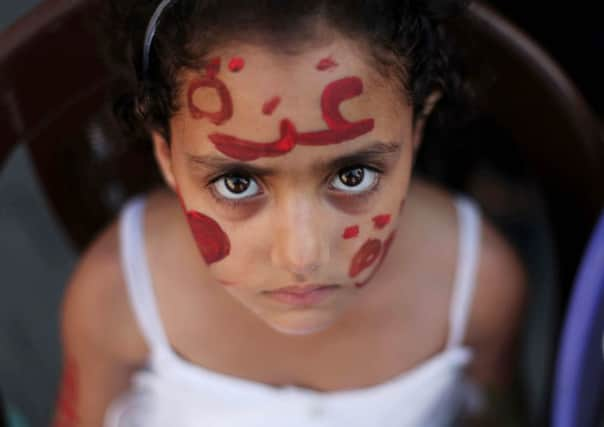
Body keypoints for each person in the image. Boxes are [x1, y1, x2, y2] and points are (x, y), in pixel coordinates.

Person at [53, 0, 527, 425]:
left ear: (417, 127)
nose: (301, 256)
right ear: (166, 156)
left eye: (353, 176)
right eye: (238, 183)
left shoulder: (480, 287)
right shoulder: (114, 296)